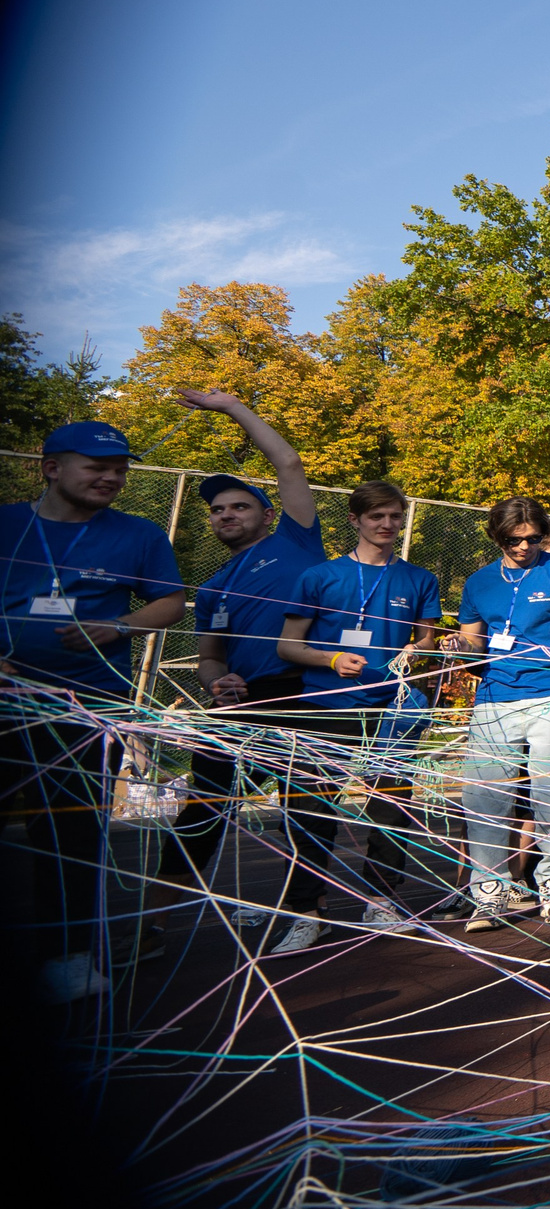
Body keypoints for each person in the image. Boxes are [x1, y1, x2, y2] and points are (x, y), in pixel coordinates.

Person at [1, 421, 185, 1003]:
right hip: (6, 699)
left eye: (120, 468)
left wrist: (120, 626)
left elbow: (171, 601)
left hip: (85, 708)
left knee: (72, 832)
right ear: (51, 468)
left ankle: (70, 954)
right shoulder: (7, 523)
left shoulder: (139, 534)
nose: (111, 477)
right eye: (96, 466)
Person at [171, 391, 327, 942]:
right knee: (205, 795)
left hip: (302, 689)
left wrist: (231, 407)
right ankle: (162, 904)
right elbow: (210, 657)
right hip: (244, 701)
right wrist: (219, 681)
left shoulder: (297, 541)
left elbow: (288, 462)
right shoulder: (212, 587)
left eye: (238, 506)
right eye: (216, 509)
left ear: (266, 514)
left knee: (304, 800)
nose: (225, 515)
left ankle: (303, 909)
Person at [270, 481, 444, 939]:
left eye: (394, 516)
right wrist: (330, 659)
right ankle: (309, 910)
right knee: (311, 809)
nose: (387, 525)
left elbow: (426, 639)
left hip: (393, 708)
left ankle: (382, 900)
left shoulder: (419, 579)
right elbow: (288, 646)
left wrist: (418, 648)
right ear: (355, 520)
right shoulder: (319, 576)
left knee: (390, 806)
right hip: (325, 706)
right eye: (376, 517)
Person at [444, 496, 550, 931]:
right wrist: (459, 648)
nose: (524, 546)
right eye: (514, 540)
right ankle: (490, 892)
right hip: (494, 699)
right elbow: (473, 642)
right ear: (498, 536)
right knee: (485, 800)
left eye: (532, 538)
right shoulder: (478, 583)